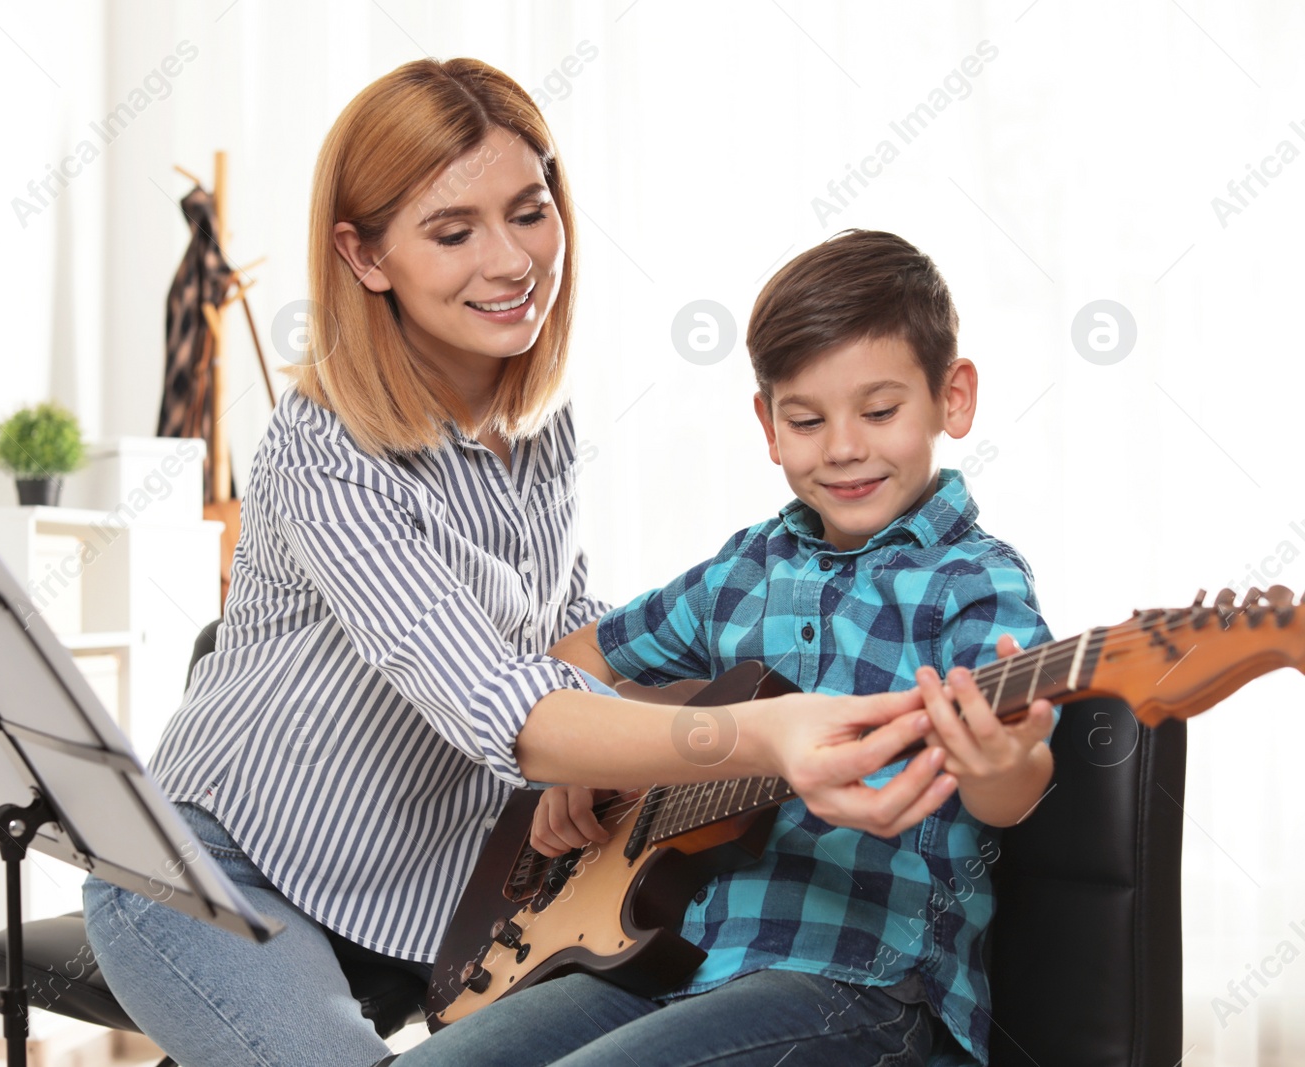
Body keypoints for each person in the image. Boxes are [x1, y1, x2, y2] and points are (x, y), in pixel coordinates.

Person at [80, 61, 952, 1067]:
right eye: (453, 233)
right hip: (214, 871)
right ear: (364, 256)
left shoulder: (538, 429)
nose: (510, 261)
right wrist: (757, 732)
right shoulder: (321, 446)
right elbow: (503, 700)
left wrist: (790, 656)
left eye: (529, 212)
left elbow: (568, 641)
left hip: (428, 896)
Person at [396, 230, 1057, 1067]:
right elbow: (574, 657)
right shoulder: (746, 569)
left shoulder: (976, 584)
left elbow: (1015, 788)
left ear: (952, 398)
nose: (845, 446)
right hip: (663, 960)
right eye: (807, 419)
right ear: (767, 425)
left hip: (855, 983)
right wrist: (582, 759)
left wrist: (999, 758)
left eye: (880, 411)